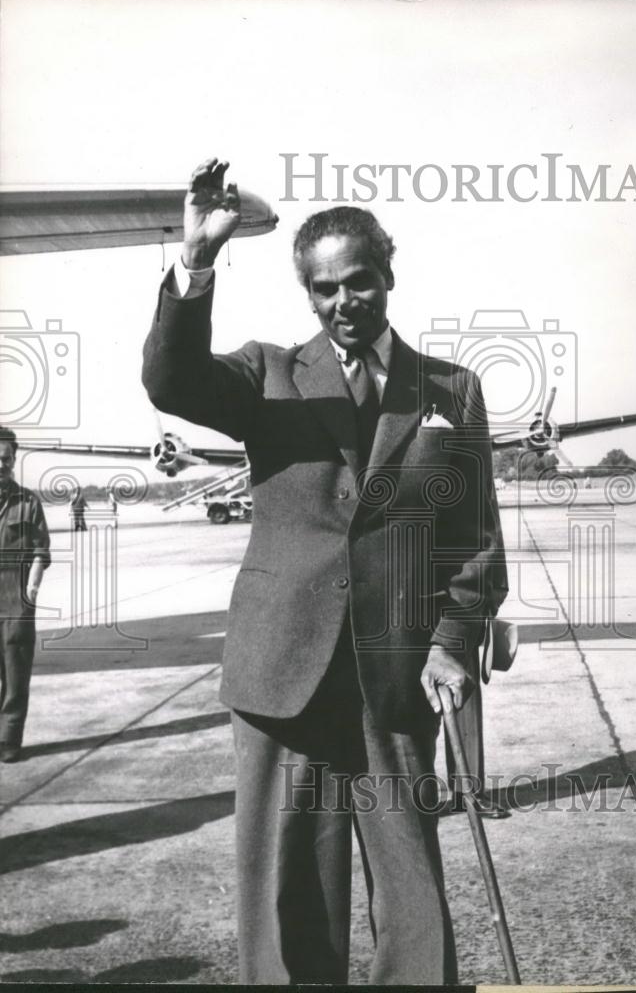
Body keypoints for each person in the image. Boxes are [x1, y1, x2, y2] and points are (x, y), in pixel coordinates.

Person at [142, 158, 508, 984]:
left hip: (399, 674)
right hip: (283, 671)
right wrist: (196, 261)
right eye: (325, 289)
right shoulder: (263, 373)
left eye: (361, 282)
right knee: (287, 894)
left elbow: (474, 540)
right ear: (306, 293)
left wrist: (452, 640)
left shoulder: (450, 389)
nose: (345, 303)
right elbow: (170, 380)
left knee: (411, 891)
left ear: (388, 272)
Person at [0, 427, 51, 763]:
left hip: (15, 596)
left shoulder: (29, 501)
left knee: (16, 674)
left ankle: (8, 740)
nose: (0, 464)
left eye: (5, 458)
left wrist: (31, 589)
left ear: (14, 459)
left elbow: (40, 550)